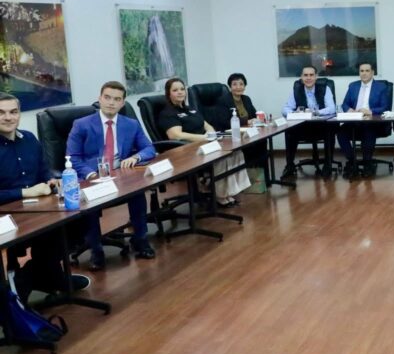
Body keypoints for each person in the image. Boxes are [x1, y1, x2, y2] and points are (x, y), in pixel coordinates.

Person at [0, 93, 89, 299]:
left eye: (13, 112)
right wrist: (24, 192)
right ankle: (34, 277)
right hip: (7, 214)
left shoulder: (29, 139)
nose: (8, 117)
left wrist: (51, 180)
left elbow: (44, 171)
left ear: (19, 114)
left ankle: (41, 273)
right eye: (1, 113)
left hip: (37, 207)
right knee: (48, 230)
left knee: (79, 218)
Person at [66, 81, 157, 269]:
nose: (111, 102)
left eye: (116, 99)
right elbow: (72, 158)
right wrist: (91, 174)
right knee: (90, 202)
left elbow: (149, 148)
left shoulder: (130, 124)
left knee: (137, 192)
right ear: (99, 99)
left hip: (120, 175)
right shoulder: (81, 125)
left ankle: (141, 240)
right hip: (92, 178)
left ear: (122, 103)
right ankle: (96, 250)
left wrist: (136, 157)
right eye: (107, 97)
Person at [158, 77, 250, 206]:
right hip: (187, 150)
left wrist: (212, 135)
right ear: (168, 94)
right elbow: (176, 135)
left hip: (204, 143)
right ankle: (220, 195)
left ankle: (230, 192)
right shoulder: (168, 113)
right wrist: (204, 138)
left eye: (182, 89)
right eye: (175, 90)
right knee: (221, 156)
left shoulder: (190, 109)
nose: (180, 92)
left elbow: (206, 125)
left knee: (235, 152)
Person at [281, 66, 335, 179]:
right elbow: (285, 109)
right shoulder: (296, 90)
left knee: (330, 130)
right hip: (303, 127)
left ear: (316, 77)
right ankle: (290, 165)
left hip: (320, 126)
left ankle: (328, 164)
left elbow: (332, 108)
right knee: (289, 132)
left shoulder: (325, 88)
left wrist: (316, 112)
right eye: (305, 75)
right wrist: (294, 113)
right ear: (301, 77)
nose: (308, 78)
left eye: (311, 75)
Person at [337, 62, 390, 177]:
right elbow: (345, 104)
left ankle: (367, 163)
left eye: (367, 71)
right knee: (340, 132)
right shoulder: (353, 86)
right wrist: (349, 110)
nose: (364, 73)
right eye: (362, 71)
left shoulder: (381, 87)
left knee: (368, 130)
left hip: (371, 121)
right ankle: (352, 160)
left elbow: (385, 107)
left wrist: (370, 111)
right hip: (354, 120)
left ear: (372, 72)